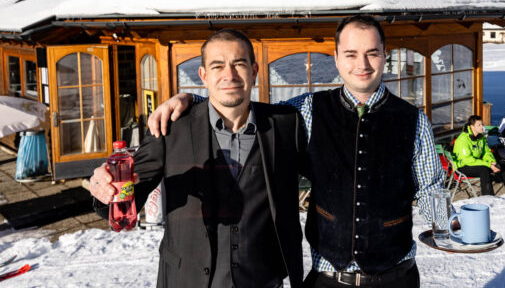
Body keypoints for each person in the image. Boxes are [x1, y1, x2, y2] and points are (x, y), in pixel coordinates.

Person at [148, 16, 445, 288]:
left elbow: (431, 187)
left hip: (397, 277)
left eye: (372, 53)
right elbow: (241, 105)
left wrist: (447, 225)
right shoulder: (307, 110)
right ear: (338, 59)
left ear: (384, 56)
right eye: (351, 54)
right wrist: (190, 100)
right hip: (328, 278)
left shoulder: (414, 120)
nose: (362, 63)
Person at [89, 29, 306, 288]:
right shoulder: (171, 128)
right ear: (203, 75)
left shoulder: (286, 124)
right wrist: (107, 190)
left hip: (262, 280)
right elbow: (129, 193)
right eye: (217, 66)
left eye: (239, 64)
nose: (229, 74)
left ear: (254, 70)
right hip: (186, 279)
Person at [452, 115, 505, 195]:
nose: (482, 127)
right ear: (472, 127)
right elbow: (467, 160)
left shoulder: (480, 137)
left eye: (482, 124)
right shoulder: (463, 139)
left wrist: (492, 162)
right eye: (479, 125)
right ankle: (488, 197)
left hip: (477, 163)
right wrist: (488, 164)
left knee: (501, 164)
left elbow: (486, 152)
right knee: (483, 170)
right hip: (462, 166)